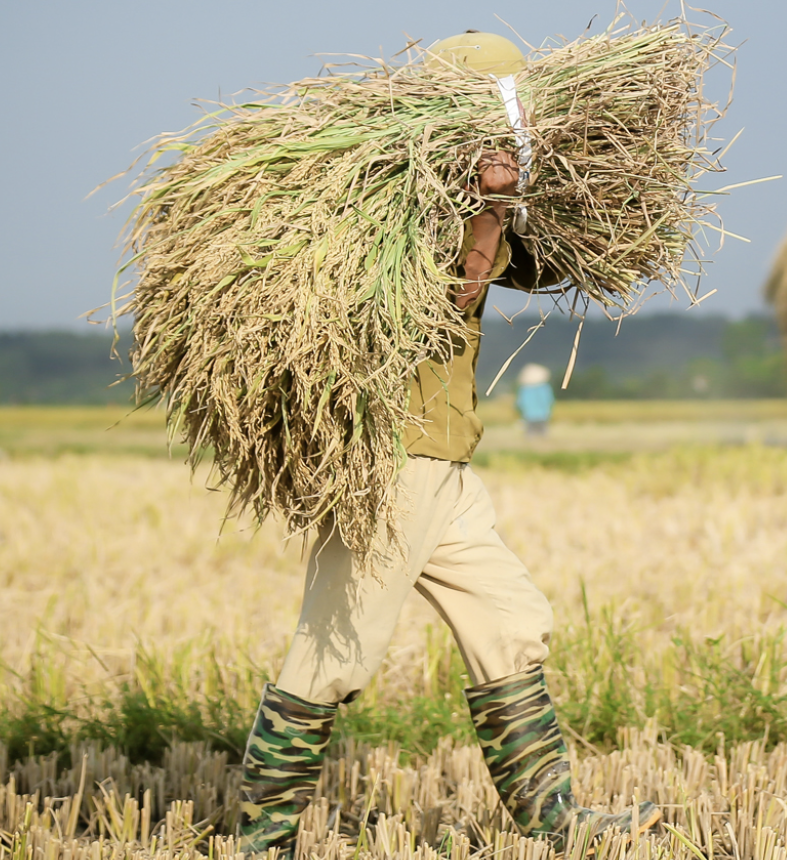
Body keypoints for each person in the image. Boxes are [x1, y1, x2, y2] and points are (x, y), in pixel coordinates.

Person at [237, 32, 661, 855]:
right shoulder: (405, 198)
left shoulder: (467, 190)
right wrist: (490, 204)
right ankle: (263, 839)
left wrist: (536, 206)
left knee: (510, 622)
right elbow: (444, 298)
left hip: (445, 460)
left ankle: (555, 819)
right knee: (335, 656)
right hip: (391, 462)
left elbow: (532, 269)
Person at [515, 363, 554, 437]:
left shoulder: (524, 389)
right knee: (543, 435)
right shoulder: (545, 388)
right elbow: (550, 401)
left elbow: (519, 403)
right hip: (543, 415)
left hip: (529, 416)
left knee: (530, 435)